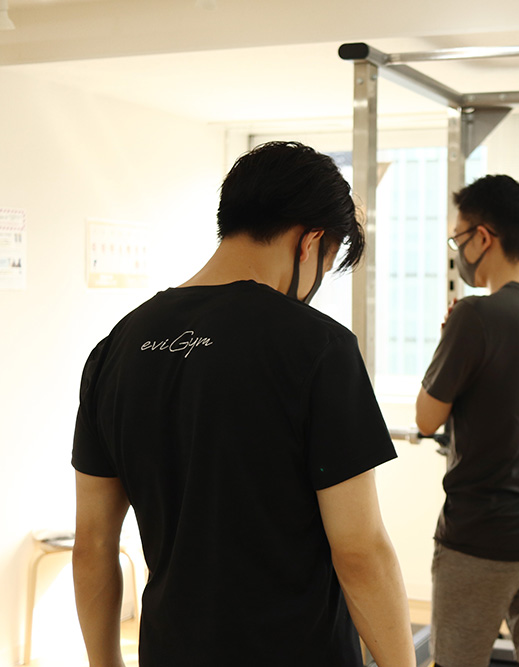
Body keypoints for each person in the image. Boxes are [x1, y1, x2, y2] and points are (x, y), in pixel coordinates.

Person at [72, 141, 415, 667]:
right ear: (310, 242)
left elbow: (93, 544)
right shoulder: (318, 347)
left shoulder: (118, 346)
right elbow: (360, 550)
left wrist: (105, 664)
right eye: (326, 264)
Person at [415, 174, 519, 667]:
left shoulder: (474, 316)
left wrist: (450, 340)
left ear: (483, 237)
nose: (458, 252)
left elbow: (426, 418)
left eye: (458, 239)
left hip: (484, 533)